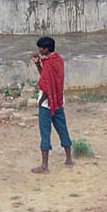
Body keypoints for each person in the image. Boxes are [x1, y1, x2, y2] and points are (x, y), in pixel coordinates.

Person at [30, 36, 73, 174]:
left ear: (46, 49)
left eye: (40, 48)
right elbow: (48, 78)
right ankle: (68, 159)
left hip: (47, 104)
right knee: (62, 128)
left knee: (45, 133)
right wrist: (38, 65)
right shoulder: (57, 60)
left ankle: (44, 166)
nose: (39, 50)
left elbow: (46, 85)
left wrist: (41, 101)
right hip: (59, 100)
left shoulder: (48, 64)